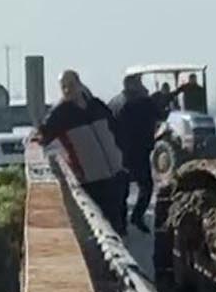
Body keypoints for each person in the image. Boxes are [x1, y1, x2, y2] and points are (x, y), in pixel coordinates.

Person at [35, 69, 129, 230]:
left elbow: (116, 131)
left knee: (120, 225)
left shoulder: (97, 106)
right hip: (91, 181)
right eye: (63, 87)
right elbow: (42, 137)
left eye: (70, 85)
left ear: (79, 84)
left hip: (116, 175)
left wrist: (123, 160)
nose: (67, 90)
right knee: (104, 227)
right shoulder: (60, 114)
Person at [114, 73, 169, 231]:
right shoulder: (142, 102)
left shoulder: (115, 101)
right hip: (138, 151)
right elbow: (161, 114)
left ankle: (121, 224)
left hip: (119, 151)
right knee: (146, 186)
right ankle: (137, 217)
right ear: (133, 85)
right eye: (140, 82)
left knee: (122, 189)